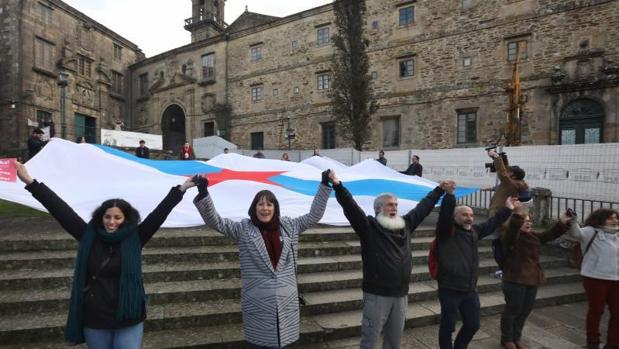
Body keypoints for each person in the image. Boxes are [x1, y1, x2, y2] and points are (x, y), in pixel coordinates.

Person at [14, 160, 194, 348]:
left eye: (117, 217)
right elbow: (60, 209)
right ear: (101, 217)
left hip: (128, 316)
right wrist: (30, 181)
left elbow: (160, 213)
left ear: (125, 219)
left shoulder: (136, 237)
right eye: (107, 217)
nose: (111, 222)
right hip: (95, 317)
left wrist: (181, 189)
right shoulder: (87, 235)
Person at [192, 170, 333, 348]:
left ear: (275, 208)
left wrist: (324, 186)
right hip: (258, 306)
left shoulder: (290, 226)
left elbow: (314, 215)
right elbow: (216, 222)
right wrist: (203, 192)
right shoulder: (243, 229)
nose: (265, 208)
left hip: (286, 304)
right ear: (254, 207)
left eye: (269, 204)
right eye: (261, 204)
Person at [330, 171, 448, 349]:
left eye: (396, 205)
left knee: (394, 340)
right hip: (377, 295)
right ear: (378, 209)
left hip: (401, 294)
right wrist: (338, 186)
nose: (394, 208)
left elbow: (423, 208)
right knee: (370, 338)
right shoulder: (369, 227)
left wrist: (439, 190)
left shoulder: (406, 225)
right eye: (389, 205)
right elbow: (351, 207)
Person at [435, 191, 517, 349]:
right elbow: (444, 218)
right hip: (449, 289)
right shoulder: (446, 234)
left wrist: (508, 208)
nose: (469, 218)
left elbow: (492, 223)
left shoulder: (474, 232)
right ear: (455, 217)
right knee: (448, 327)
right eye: (464, 214)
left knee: (473, 324)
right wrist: (449, 197)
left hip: (469, 289)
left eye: (471, 215)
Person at [499, 209, 575, 349]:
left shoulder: (533, 236)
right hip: (515, 279)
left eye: (529, 221)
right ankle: (507, 339)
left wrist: (562, 221)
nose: (528, 223)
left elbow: (549, 235)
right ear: (516, 224)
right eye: (525, 221)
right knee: (512, 310)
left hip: (532, 279)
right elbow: (513, 228)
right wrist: (516, 211)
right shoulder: (510, 236)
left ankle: (517, 337)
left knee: (524, 311)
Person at [567, 208, 619, 349]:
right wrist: (573, 220)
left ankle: (613, 343)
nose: (615, 221)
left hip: (616, 279)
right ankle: (593, 342)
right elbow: (575, 233)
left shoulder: (616, 235)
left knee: (617, 312)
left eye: (616, 218)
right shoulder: (591, 231)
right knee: (596, 310)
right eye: (611, 218)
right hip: (595, 277)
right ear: (601, 219)